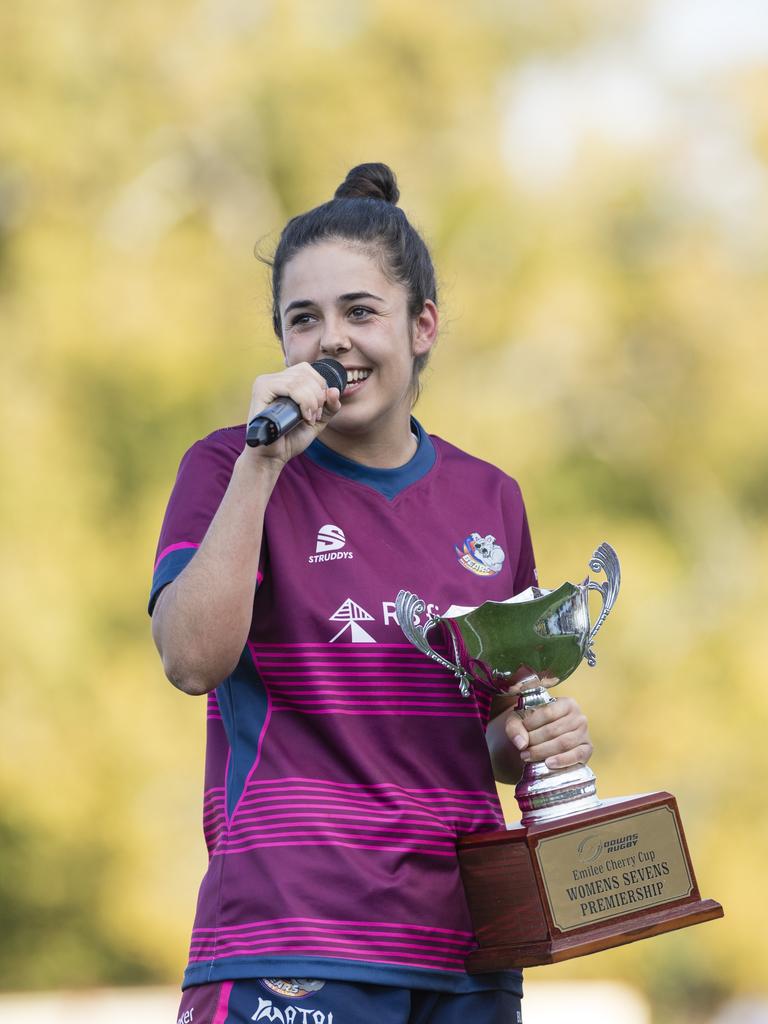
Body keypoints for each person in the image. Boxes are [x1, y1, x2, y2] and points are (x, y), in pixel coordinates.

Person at [150, 162, 592, 1024]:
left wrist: (535, 737)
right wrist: (262, 465)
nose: (332, 341)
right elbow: (190, 660)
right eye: (303, 319)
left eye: (360, 311)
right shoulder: (227, 466)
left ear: (422, 325)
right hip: (294, 930)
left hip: (469, 950)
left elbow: (485, 742)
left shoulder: (491, 498)